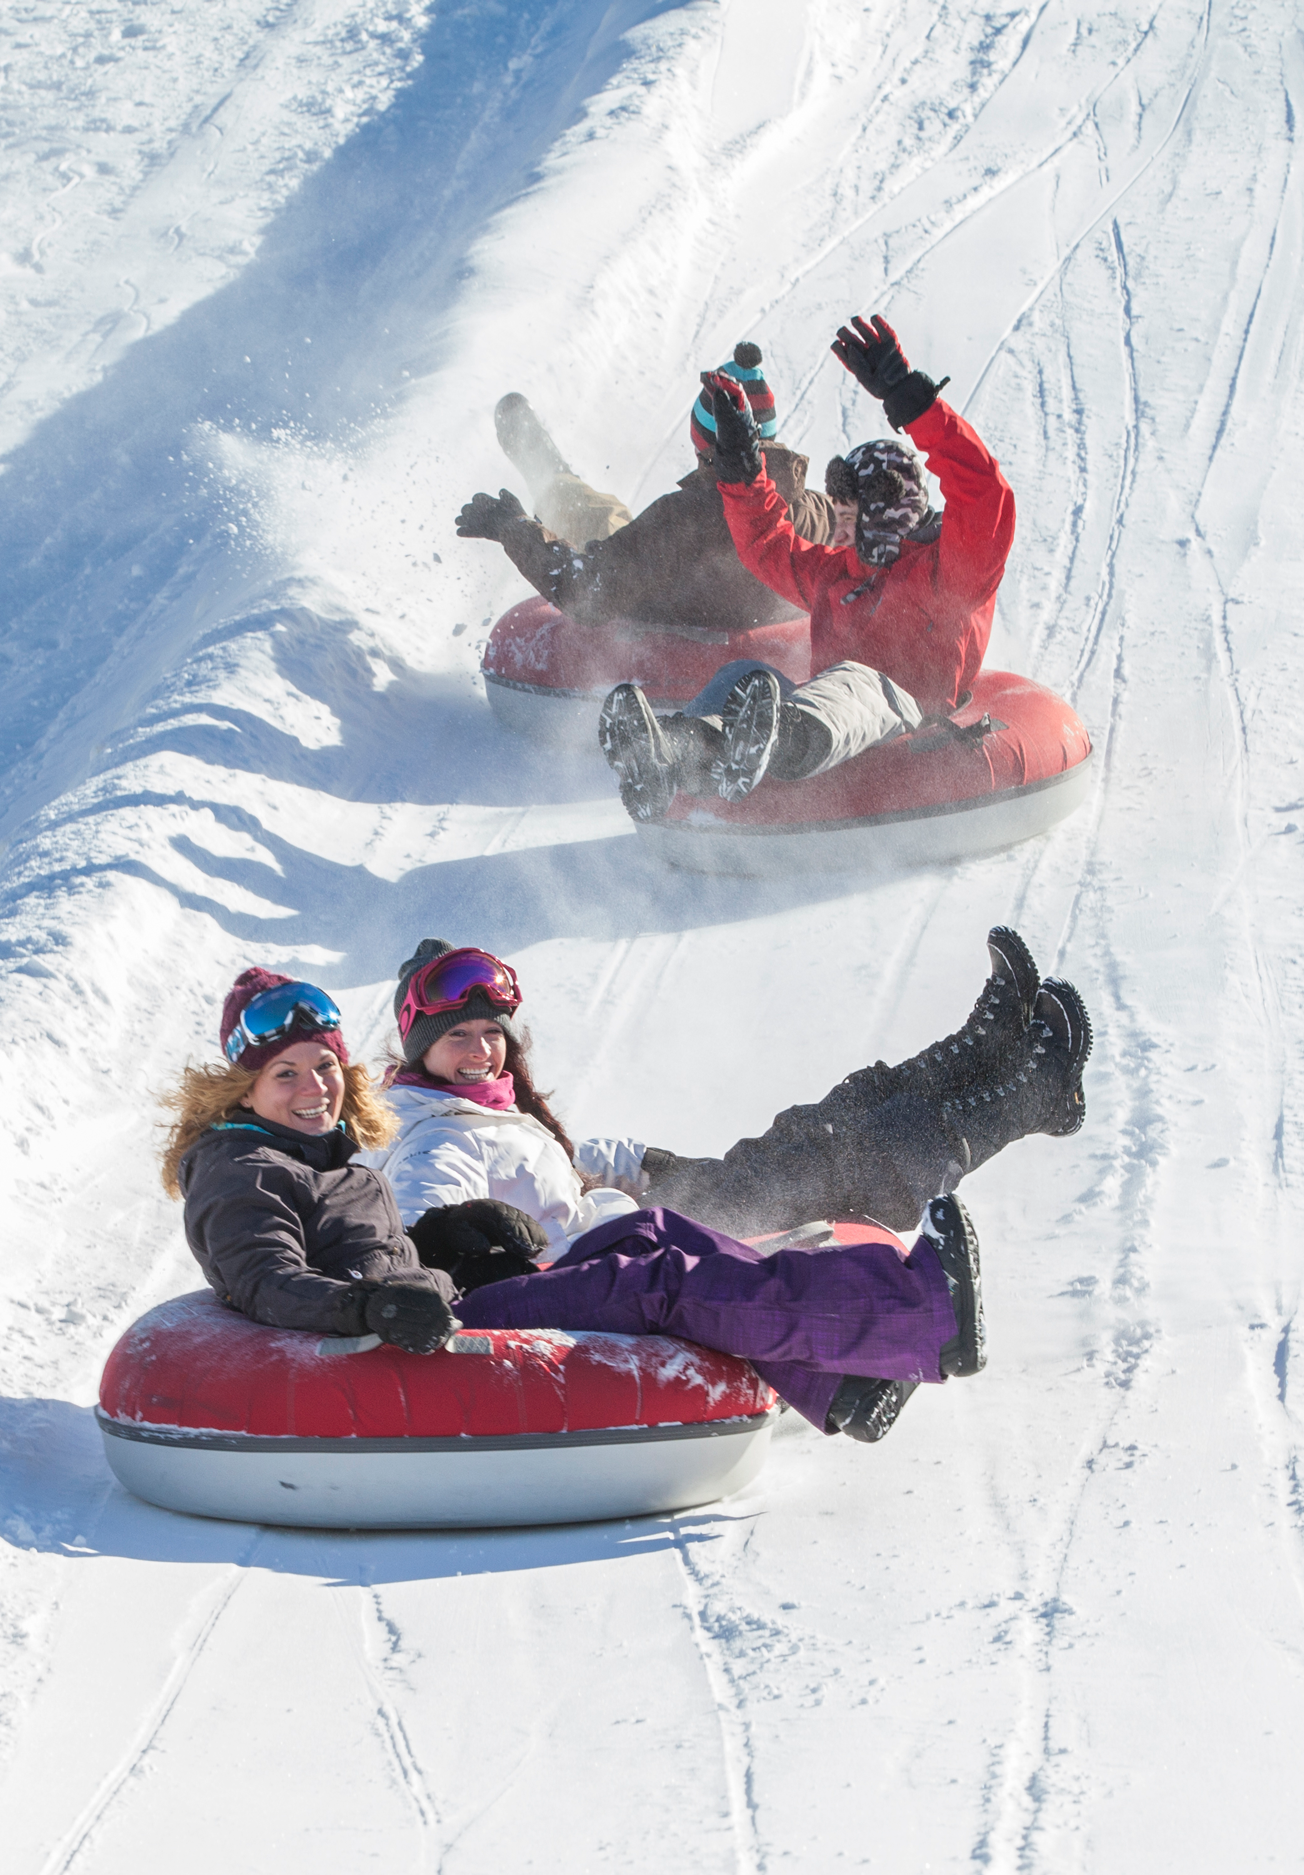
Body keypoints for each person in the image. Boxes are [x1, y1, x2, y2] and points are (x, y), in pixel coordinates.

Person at [161, 938, 1090, 1444]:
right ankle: (916, 1317)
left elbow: (409, 1220)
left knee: (652, 1232)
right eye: (287, 1075)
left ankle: (841, 1384)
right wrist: (394, 1284)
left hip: (465, 1281)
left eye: (322, 1068)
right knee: (657, 1272)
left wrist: (444, 1246)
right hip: (439, 1319)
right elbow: (270, 1278)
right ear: (242, 1088)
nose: (314, 1087)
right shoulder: (255, 1167)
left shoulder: (330, 1151)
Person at [598, 314, 1018, 821]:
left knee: (859, 682)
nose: (837, 535)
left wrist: (913, 400)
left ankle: (779, 740)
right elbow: (767, 543)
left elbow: (985, 495)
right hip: (825, 723)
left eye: (849, 519)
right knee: (744, 673)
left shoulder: (949, 573)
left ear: (885, 514)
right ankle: (674, 751)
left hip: (909, 719)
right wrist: (741, 466)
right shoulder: (839, 575)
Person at [452, 347, 838, 638]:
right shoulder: (820, 512)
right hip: (756, 627)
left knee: (599, 515)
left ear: (706, 446)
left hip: (663, 615)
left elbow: (588, 590)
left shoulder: (685, 518)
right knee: (616, 518)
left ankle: (551, 475)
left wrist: (511, 527)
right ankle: (555, 477)